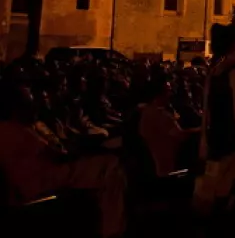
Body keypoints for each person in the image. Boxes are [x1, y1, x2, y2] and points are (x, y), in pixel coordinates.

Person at [0, 83, 126, 238]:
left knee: (111, 168)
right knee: (110, 166)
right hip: (40, 181)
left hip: (42, 176)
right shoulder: (13, 131)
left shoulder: (19, 128)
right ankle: (111, 229)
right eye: (29, 101)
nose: (35, 105)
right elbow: (53, 155)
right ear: (15, 106)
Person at [199, 23, 235, 208]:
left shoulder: (214, 72)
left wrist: (204, 140)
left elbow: (206, 111)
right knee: (233, 193)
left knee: (217, 193)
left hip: (217, 140)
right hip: (234, 143)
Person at [139, 76, 199, 176]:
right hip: (167, 170)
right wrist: (201, 130)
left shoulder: (146, 111)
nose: (171, 94)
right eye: (168, 91)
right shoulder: (161, 115)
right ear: (159, 94)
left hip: (154, 166)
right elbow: (181, 136)